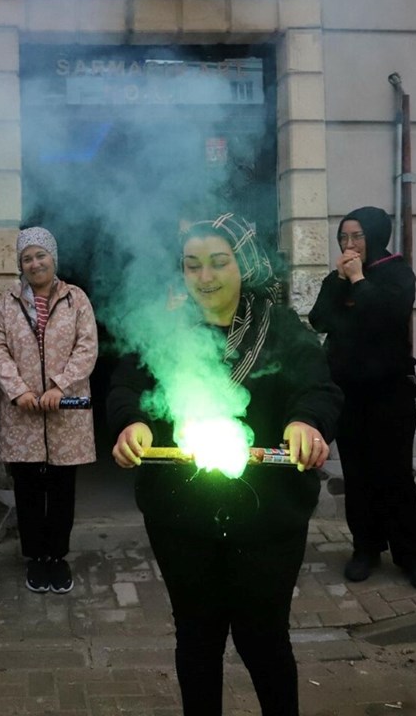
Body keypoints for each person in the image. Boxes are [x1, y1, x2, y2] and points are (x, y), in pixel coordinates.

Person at [109, 213, 342, 716]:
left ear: (245, 264)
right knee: (197, 637)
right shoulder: (163, 327)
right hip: (182, 516)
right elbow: (126, 386)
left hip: (268, 516)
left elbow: (317, 387)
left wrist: (306, 422)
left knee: (264, 639)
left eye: (218, 263)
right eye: (192, 266)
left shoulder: (278, 327)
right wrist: (132, 422)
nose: (206, 277)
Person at [308, 206, 416, 591]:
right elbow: (318, 319)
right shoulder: (338, 280)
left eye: (357, 237)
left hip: (391, 390)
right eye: (344, 238)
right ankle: (365, 549)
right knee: (359, 474)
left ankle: (412, 557)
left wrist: (359, 281)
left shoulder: (398, 274)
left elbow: (387, 314)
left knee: (394, 474)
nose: (349, 245)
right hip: (348, 391)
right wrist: (340, 283)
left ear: (376, 236)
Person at [0, 227, 98, 594]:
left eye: (41, 256)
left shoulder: (76, 299)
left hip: (65, 412)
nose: (35, 264)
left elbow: (87, 347)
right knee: (29, 489)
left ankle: (58, 558)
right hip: (24, 415)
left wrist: (60, 385)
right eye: (27, 258)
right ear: (20, 265)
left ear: (53, 258)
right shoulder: (7, 302)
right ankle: (35, 558)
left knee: (62, 489)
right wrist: (18, 391)